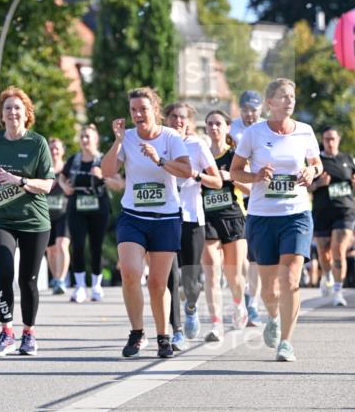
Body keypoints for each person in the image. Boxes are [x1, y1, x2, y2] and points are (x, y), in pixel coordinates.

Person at [230, 77, 322, 363]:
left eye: (292, 96)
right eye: (283, 96)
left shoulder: (305, 131)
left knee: (291, 279)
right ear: (270, 102)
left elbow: (317, 163)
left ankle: (286, 342)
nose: (290, 100)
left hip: (296, 214)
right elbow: (235, 171)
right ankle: (272, 316)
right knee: (269, 290)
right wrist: (256, 176)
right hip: (262, 216)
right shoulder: (254, 134)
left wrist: (312, 172)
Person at [101, 87, 191, 360]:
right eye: (133, 110)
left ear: (155, 110)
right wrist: (117, 141)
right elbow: (107, 171)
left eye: (143, 109)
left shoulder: (170, 137)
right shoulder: (127, 138)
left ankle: (163, 337)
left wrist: (160, 160)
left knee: (157, 283)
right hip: (133, 216)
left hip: (166, 218)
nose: (138, 114)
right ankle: (137, 332)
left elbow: (187, 171)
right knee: (130, 272)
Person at [0, 86, 54, 357]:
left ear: (26, 113)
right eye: (7, 108)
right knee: (4, 273)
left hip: (33, 221)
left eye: (17, 108)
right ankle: (6, 332)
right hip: (0, 219)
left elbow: (47, 185)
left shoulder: (37, 143)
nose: (12, 112)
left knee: (27, 280)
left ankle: (29, 334)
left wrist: (19, 181)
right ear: (2, 115)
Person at [164, 103, 223, 343]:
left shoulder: (197, 145)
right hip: (165, 217)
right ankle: (176, 330)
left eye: (182, 117)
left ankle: (191, 307)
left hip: (192, 217)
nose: (178, 121)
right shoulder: (160, 143)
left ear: (189, 121)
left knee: (190, 278)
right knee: (171, 278)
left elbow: (217, 181)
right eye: (173, 116)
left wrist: (196, 175)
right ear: (166, 119)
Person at [201, 111, 251, 341]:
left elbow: (252, 188)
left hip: (233, 217)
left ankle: (239, 304)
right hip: (207, 218)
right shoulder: (201, 155)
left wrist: (231, 177)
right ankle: (216, 324)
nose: (214, 128)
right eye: (210, 124)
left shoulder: (235, 156)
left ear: (228, 127)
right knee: (211, 272)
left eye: (218, 124)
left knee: (234, 275)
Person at [60, 124, 122, 302]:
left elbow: (119, 184)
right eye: (82, 137)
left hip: (98, 208)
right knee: (78, 245)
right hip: (76, 208)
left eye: (88, 136)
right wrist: (65, 187)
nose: (84, 140)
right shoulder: (74, 160)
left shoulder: (103, 160)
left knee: (96, 246)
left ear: (96, 139)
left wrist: (103, 176)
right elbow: (62, 177)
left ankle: (96, 285)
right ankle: (80, 287)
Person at [310, 126, 355, 306]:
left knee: (338, 249)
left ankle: (338, 292)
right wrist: (319, 184)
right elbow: (306, 186)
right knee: (324, 254)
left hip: (345, 211)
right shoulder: (316, 161)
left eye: (333, 139)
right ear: (322, 141)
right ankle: (327, 274)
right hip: (322, 212)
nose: (330, 142)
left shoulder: (347, 158)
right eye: (326, 139)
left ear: (338, 140)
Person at [229, 90, 264, 326]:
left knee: (255, 256)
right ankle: (241, 300)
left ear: (261, 109)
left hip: (258, 196)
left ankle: (252, 303)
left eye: (253, 110)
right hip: (235, 196)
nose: (249, 114)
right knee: (241, 258)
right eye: (245, 110)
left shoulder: (267, 127)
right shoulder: (231, 130)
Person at [46, 137, 70, 295]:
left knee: (62, 246)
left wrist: (61, 181)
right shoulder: (44, 169)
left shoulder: (67, 169)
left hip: (64, 213)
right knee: (50, 250)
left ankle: (61, 279)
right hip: (46, 215)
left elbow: (72, 188)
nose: (54, 151)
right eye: (51, 148)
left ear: (62, 151)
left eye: (57, 148)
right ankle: (55, 279)